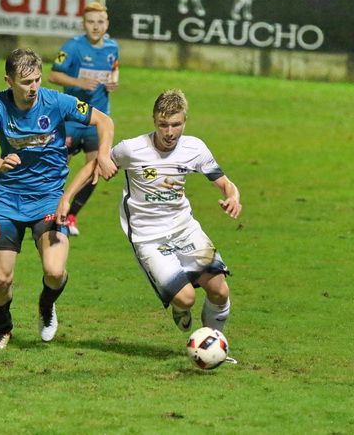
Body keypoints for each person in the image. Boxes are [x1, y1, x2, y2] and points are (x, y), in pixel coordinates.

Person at [57, 89, 241, 335]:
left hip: (185, 229)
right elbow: (94, 165)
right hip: (148, 237)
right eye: (163, 125)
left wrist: (232, 196)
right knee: (186, 298)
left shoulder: (195, 148)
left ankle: (214, 341)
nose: (169, 132)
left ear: (185, 121)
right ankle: (180, 308)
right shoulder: (132, 149)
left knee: (220, 290)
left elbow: (225, 182)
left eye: (176, 125)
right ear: (154, 121)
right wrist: (66, 198)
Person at [0, 48, 116, 349]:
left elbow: (104, 121)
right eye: (26, 82)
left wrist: (103, 154)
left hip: (49, 200)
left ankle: (46, 304)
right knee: (1, 279)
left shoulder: (57, 101)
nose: (33, 87)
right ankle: (2, 328)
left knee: (54, 272)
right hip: (7, 201)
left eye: (37, 79)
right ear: (9, 81)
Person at [48, 1, 119, 236]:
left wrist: (114, 80)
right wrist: (78, 82)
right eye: (91, 22)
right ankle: (47, 214)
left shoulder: (112, 47)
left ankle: (70, 216)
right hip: (71, 120)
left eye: (100, 22)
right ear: (83, 24)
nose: (95, 27)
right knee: (56, 169)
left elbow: (114, 67)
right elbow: (53, 75)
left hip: (97, 121)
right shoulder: (73, 47)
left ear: (107, 24)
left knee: (95, 170)